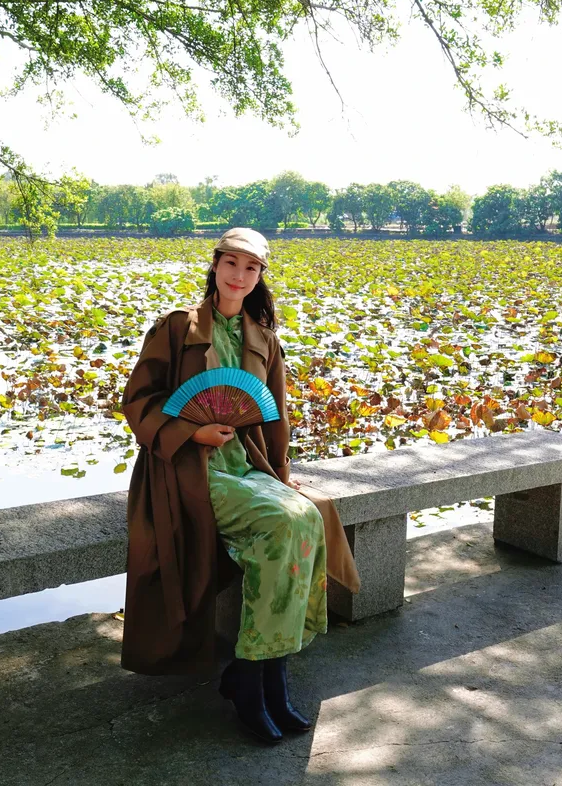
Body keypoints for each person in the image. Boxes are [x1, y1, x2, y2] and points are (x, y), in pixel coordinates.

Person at [121, 227, 360, 744]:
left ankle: (261, 672)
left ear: (258, 277)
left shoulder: (263, 340)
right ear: (215, 265)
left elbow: (274, 419)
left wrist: (282, 474)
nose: (238, 275)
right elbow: (138, 402)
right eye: (231, 263)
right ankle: (255, 676)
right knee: (282, 520)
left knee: (306, 513)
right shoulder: (176, 328)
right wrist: (194, 430)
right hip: (188, 468)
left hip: (245, 465)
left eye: (250, 268)